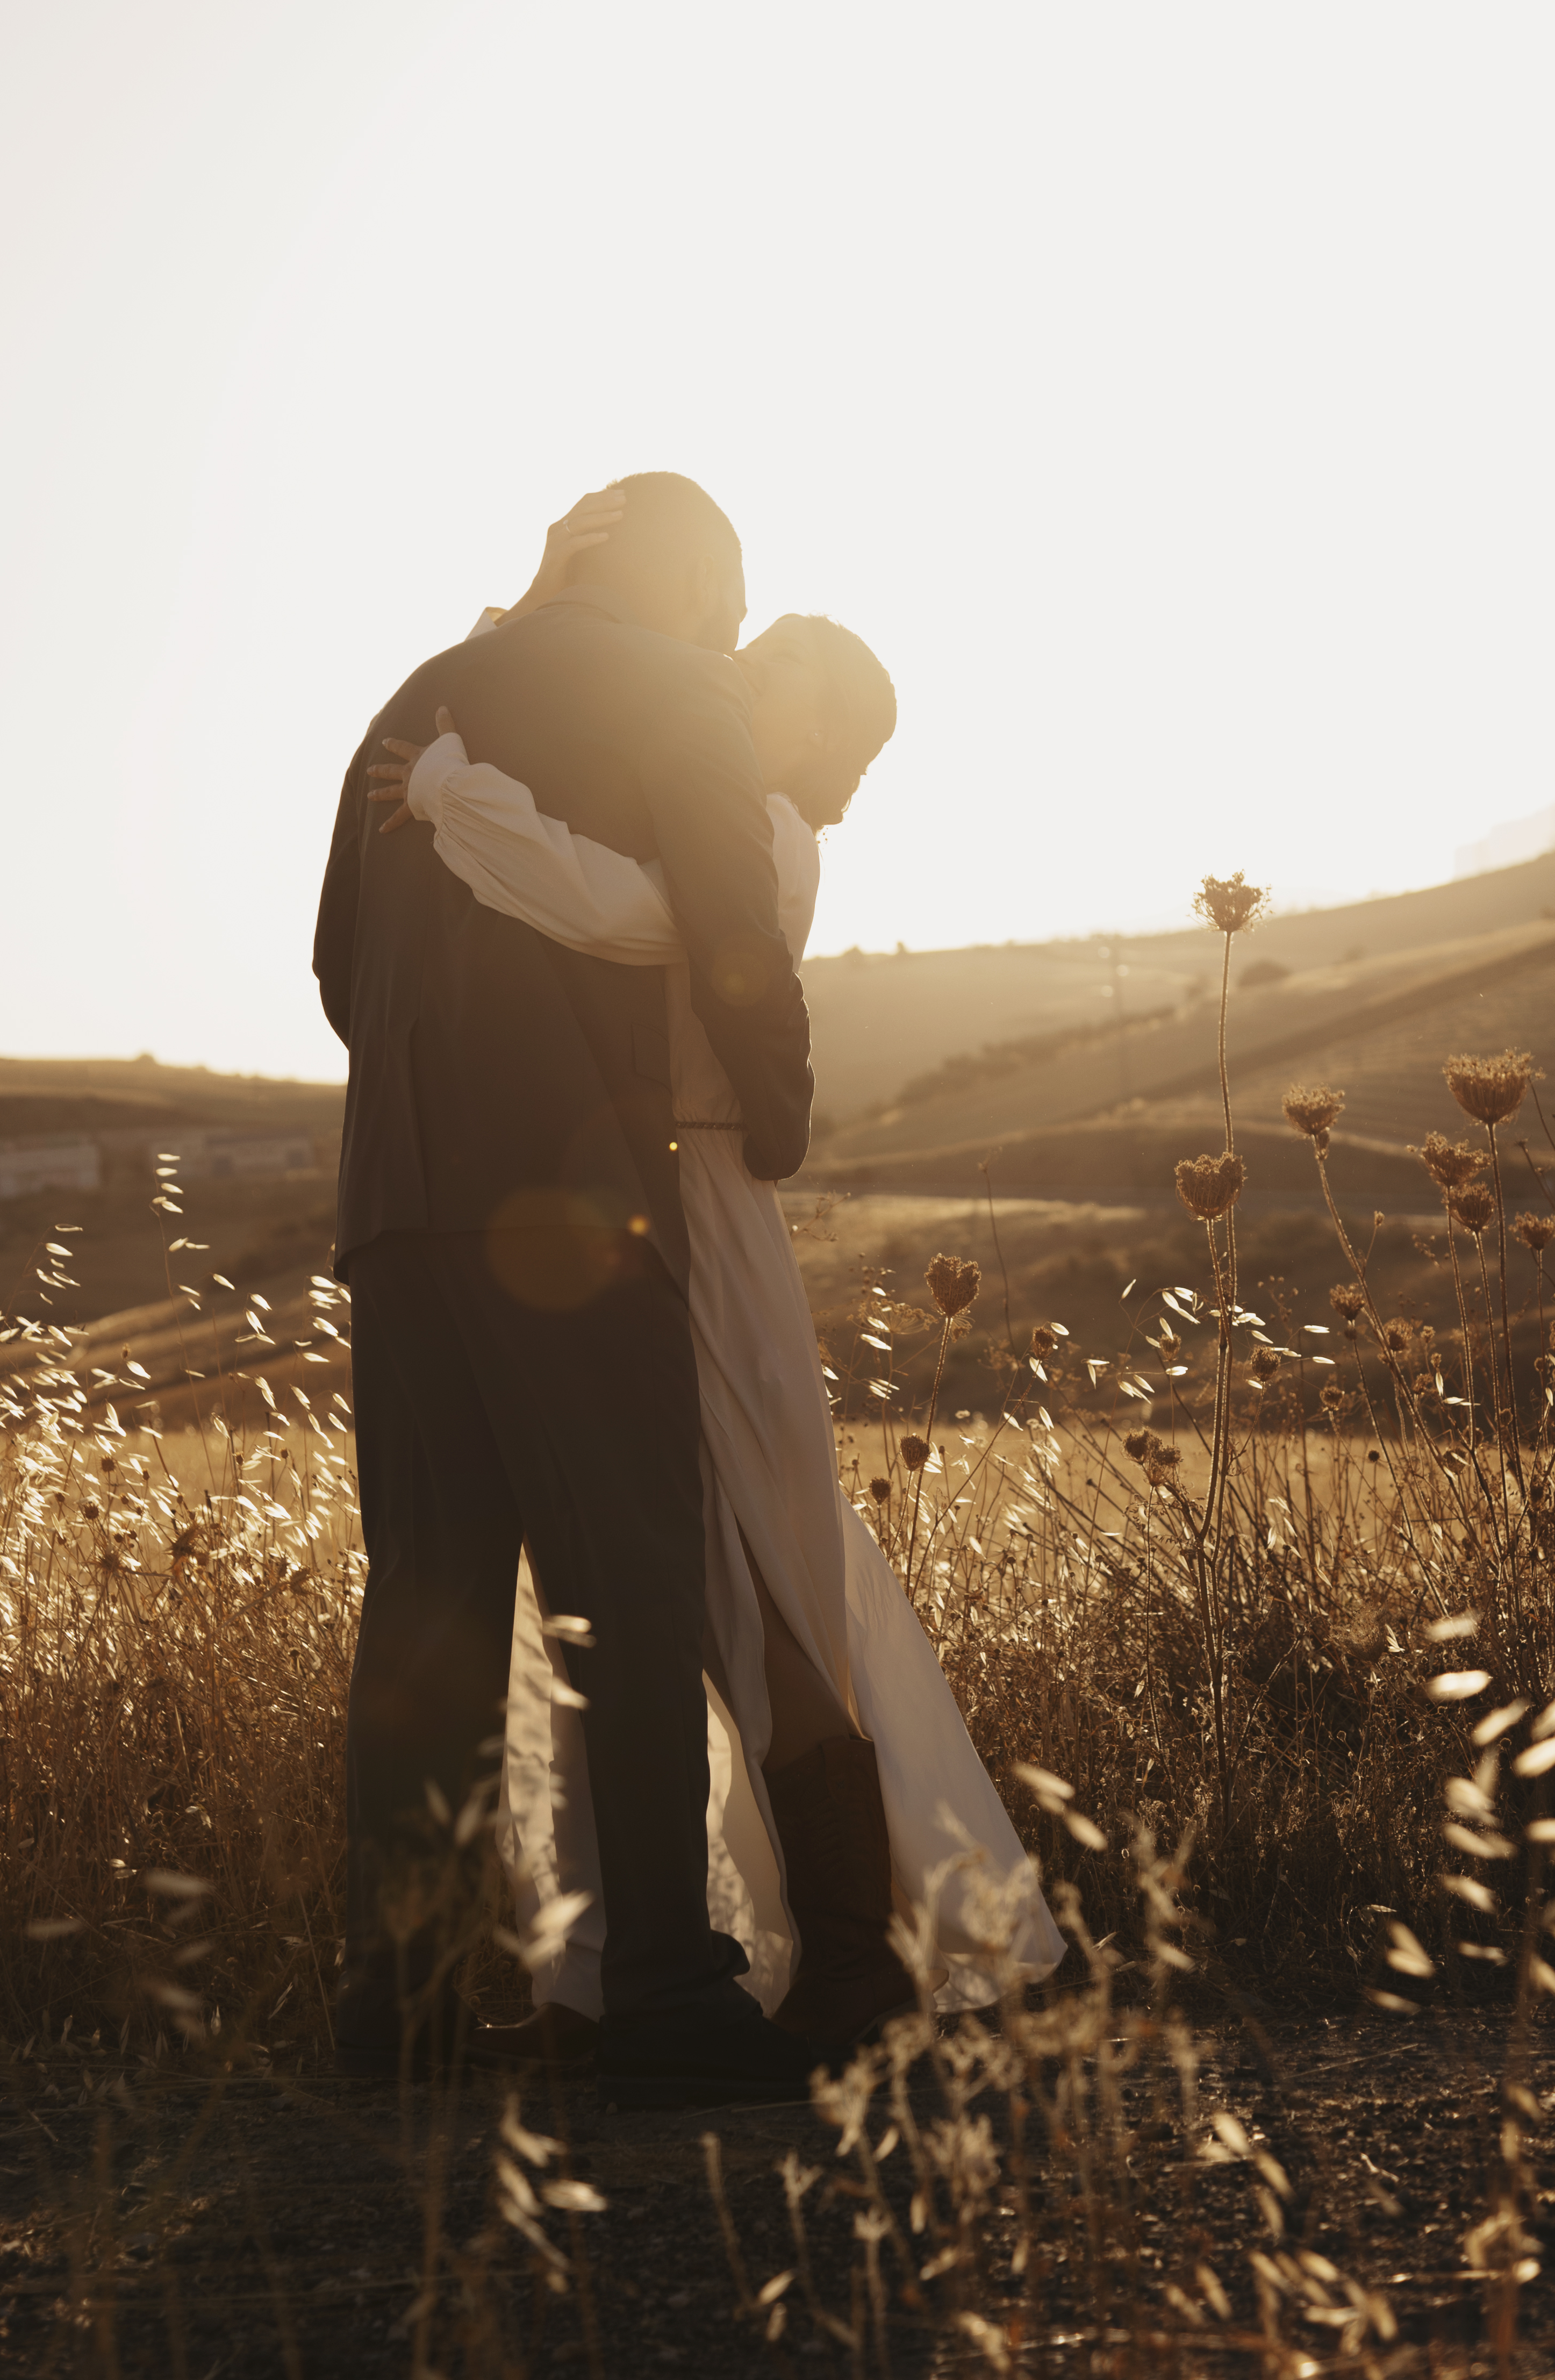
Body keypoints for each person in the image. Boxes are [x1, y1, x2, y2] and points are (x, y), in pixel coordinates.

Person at [368, 608, 1064, 2070]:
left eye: (783, 670)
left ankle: (853, 1947)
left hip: (702, 1211)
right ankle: (618, 1970)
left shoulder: (760, 827)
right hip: (648, 1196)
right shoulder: (711, 796)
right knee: (630, 1581)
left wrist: (452, 792)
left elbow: (613, 911)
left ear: (829, 737)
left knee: (761, 1576)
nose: (744, 673)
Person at [313, 471, 823, 2109]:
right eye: (728, 608)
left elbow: (335, 962)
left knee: (432, 1607)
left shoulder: (409, 698)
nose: (727, 642)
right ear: (686, 583)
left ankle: (401, 2001)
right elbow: (737, 925)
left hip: (393, 1206)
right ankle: (665, 1987)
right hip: (574, 1206)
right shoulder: (675, 690)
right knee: (631, 1580)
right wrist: (780, 1113)